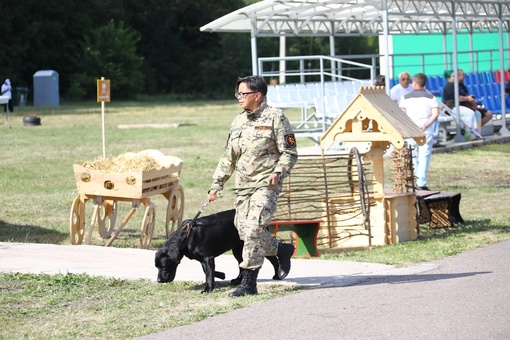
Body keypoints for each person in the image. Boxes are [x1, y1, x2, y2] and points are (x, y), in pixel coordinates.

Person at [207, 75, 298, 297]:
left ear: (257, 95)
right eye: (237, 93)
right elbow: (228, 156)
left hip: (266, 184)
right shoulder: (238, 121)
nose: (238, 97)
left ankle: (249, 283)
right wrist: (216, 184)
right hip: (243, 187)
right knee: (244, 230)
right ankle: (281, 250)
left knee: (255, 227)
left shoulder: (276, 117)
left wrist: (278, 173)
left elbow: (290, 152)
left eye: (243, 93)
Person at [399, 73, 439, 191]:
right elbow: (435, 114)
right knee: (424, 157)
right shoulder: (431, 97)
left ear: (414, 83)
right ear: (424, 84)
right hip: (426, 130)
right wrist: (425, 124)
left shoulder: (405, 98)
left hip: (411, 130)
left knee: (413, 155)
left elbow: (402, 114)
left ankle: (415, 180)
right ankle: (421, 183)